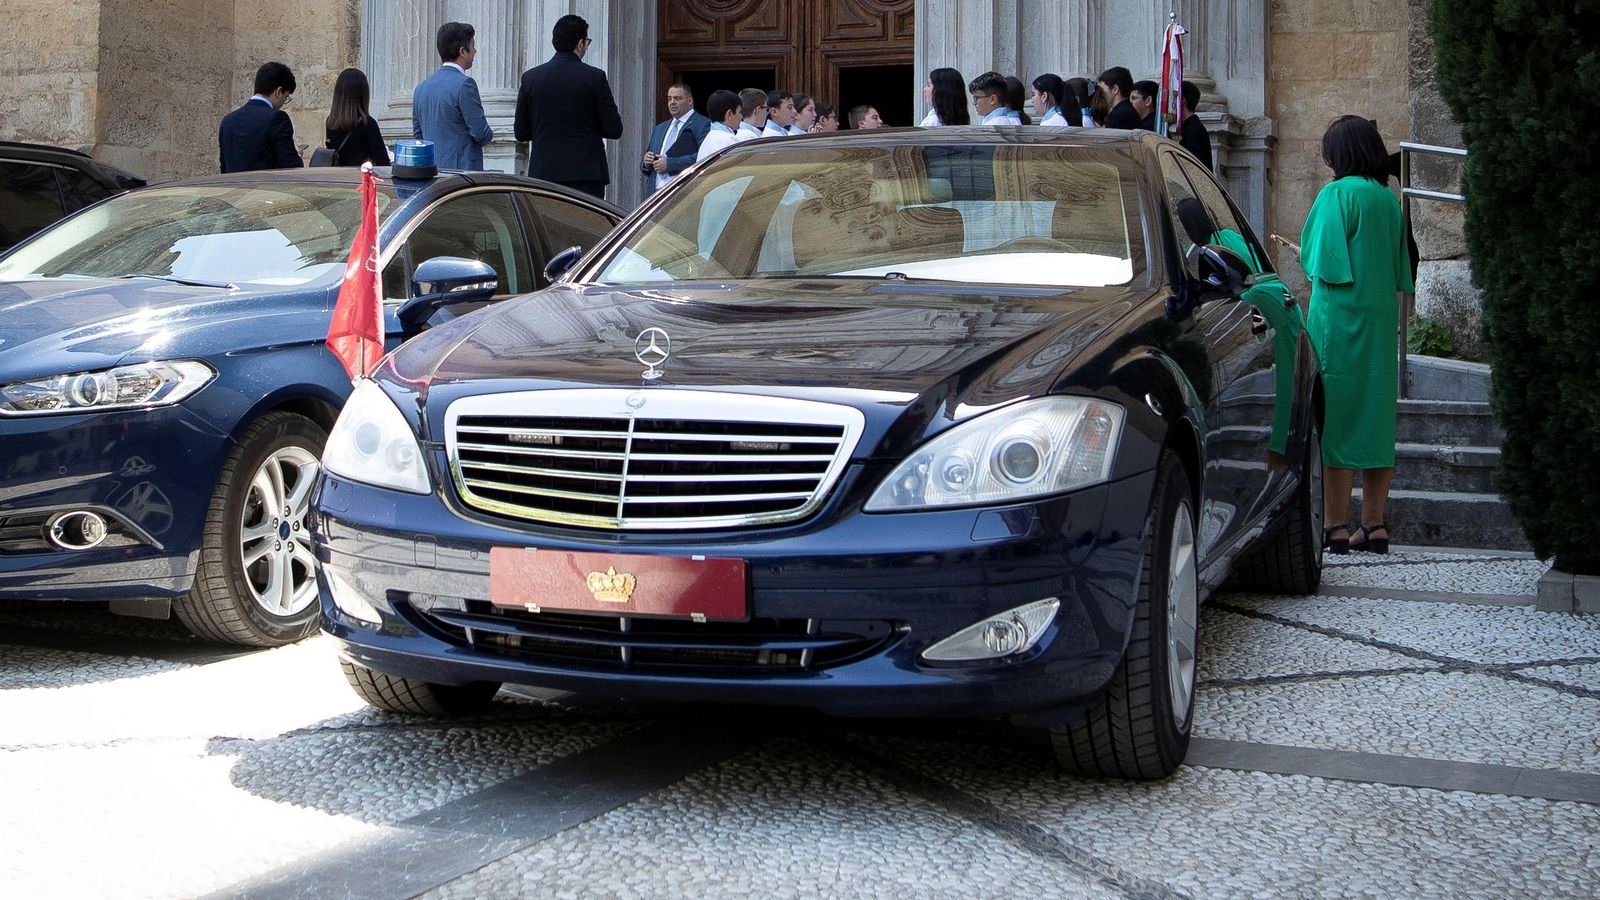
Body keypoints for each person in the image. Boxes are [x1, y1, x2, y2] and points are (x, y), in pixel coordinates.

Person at [1275, 116, 1415, 555]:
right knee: (1375, 420)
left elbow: (1321, 263)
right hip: (1377, 323)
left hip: (1338, 322)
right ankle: (1374, 525)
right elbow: (1400, 270)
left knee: (1334, 420)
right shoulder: (1387, 200)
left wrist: (1301, 253)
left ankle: (1335, 524)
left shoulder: (1335, 194)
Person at [513, 14, 624, 198]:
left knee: (547, 227)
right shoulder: (595, 77)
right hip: (586, 175)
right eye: (587, 42)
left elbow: (521, 132)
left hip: (544, 173)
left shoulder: (531, 78)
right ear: (580, 44)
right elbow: (614, 129)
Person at [412, 22, 494, 170]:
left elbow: (419, 137)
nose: (475, 51)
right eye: (473, 45)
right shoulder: (465, 84)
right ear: (463, 51)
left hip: (432, 173)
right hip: (462, 176)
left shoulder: (421, 89)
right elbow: (481, 133)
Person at [218, 62, 302, 173]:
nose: (283, 103)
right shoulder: (277, 118)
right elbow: (291, 166)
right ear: (278, 92)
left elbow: (224, 168)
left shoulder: (227, 121)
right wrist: (297, 155)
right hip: (265, 188)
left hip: (234, 189)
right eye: (285, 97)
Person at [641, 83, 709, 199]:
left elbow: (705, 158)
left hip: (683, 194)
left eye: (677, 98)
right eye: (669, 99)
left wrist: (670, 164)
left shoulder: (703, 124)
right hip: (654, 195)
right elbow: (646, 163)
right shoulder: (660, 128)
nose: (672, 102)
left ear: (690, 101)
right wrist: (646, 163)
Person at [323, 67, 390, 167]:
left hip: (337, 179)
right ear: (363, 93)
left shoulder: (330, 122)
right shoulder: (367, 124)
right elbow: (383, 161)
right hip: (360, 179)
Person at [696, 90, 744, 163]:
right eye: (740, 112)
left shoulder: (708, 138)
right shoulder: (729, 140)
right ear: (730, 114)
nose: (741, 116)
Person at [1177, 80, 1212, 171]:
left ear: (1182, 100)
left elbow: (1192, 168)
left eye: (1173, 97)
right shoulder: (1190, 127)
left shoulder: (1192, 131)